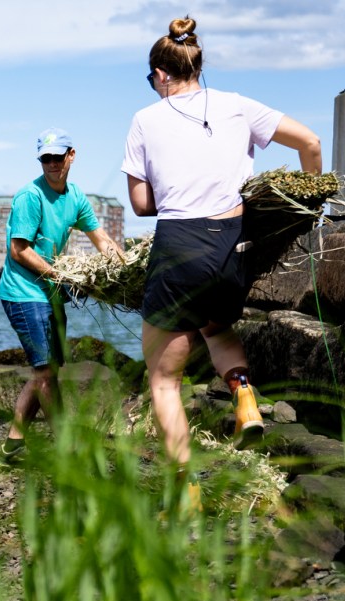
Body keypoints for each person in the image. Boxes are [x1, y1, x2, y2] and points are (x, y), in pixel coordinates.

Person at [121, 16, 322, 508]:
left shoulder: (146, 119)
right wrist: (307, 204)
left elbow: (141, 205)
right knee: (216, 328)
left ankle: (186, 489)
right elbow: (311, 143)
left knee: (164, 379)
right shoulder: (237, 106)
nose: (153, 87)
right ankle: (246, 398)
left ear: (162, 74)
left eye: (152, 79)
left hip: (179, 245)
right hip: (232, 247)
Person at [0, 127, 124, 464]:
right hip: (23, 293)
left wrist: (126, 265)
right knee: (45, 375)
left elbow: (100, 238)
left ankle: (13, 442)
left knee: (47, 370)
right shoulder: (30, 197)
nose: (52, 164)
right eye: (46, 158)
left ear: (71, 155)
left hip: (50, 294)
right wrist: (59, 275)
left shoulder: (76, 197)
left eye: (58, 156)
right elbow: (18, 249)